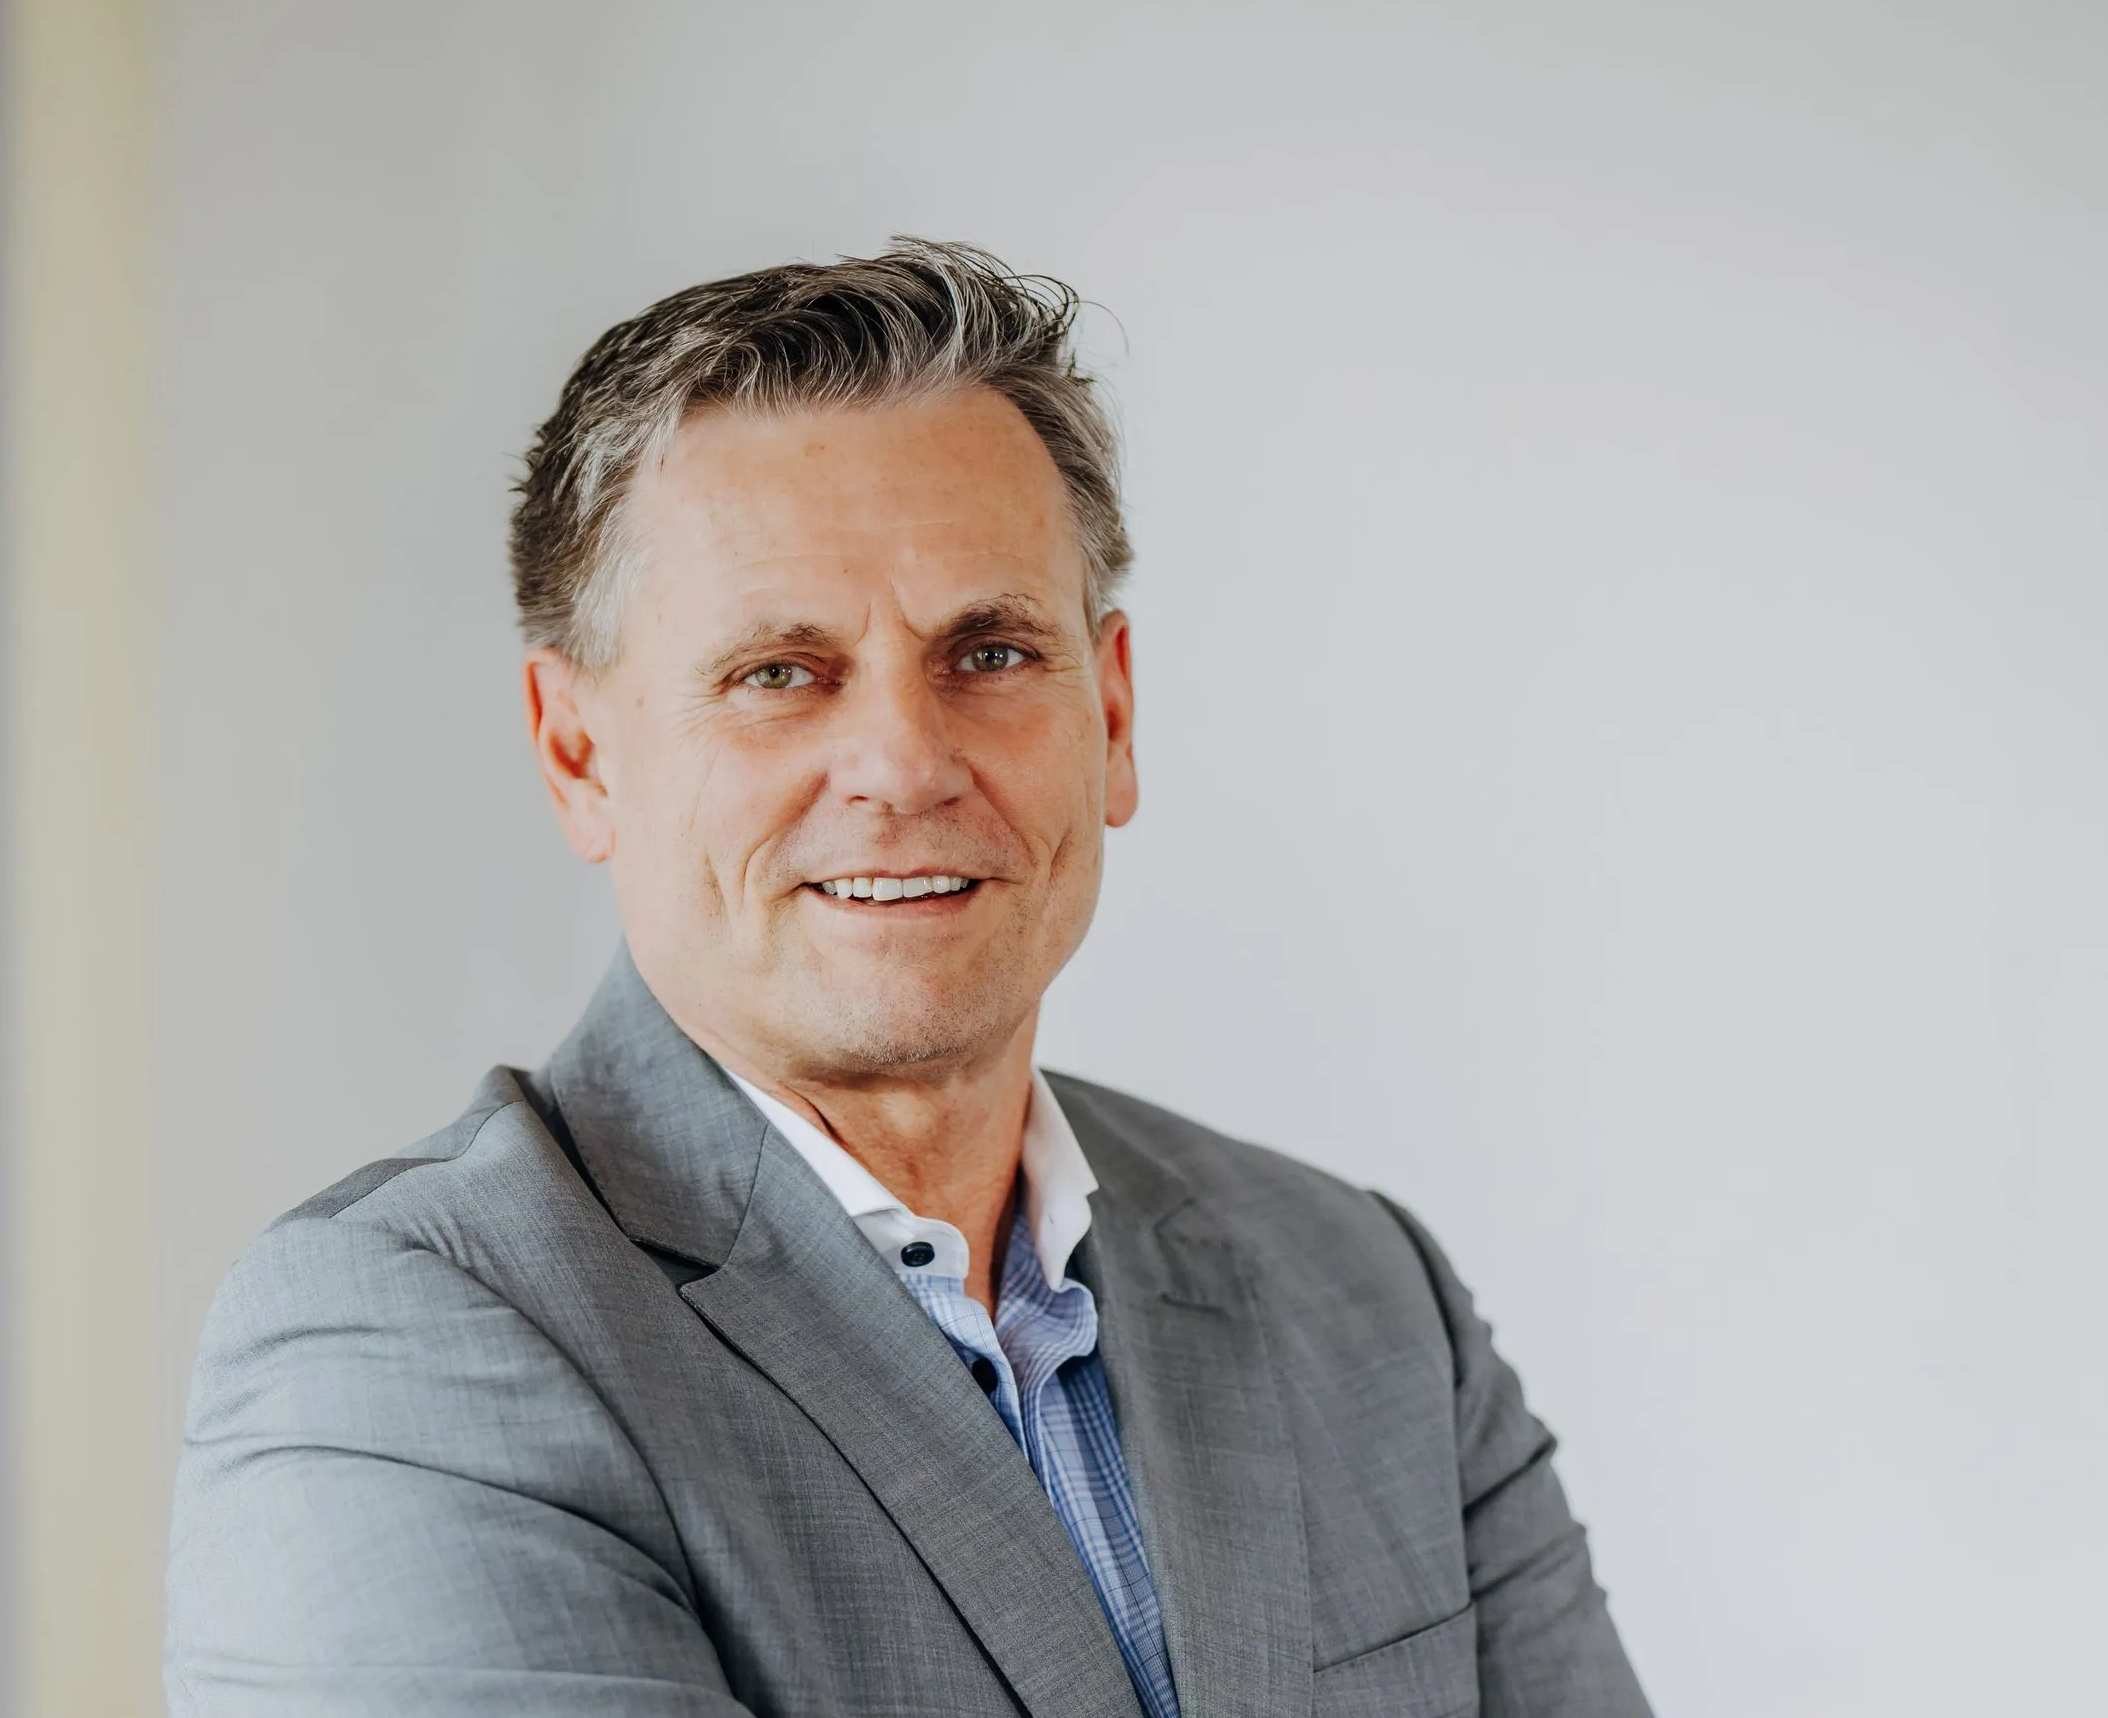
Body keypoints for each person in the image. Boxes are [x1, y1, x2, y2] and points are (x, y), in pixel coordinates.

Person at [164, 239, 1654, 1717]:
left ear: (1112, 714)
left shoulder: (1362, 1292)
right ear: (580, 754)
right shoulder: (399, 1343)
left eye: (990, 653)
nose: (904, 763)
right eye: (778, 673)